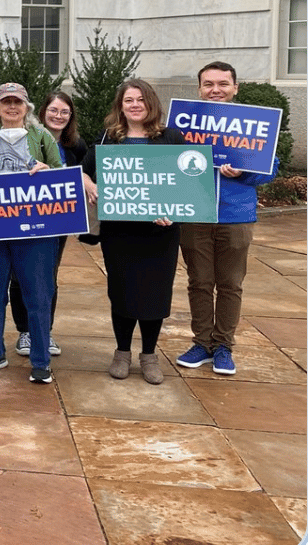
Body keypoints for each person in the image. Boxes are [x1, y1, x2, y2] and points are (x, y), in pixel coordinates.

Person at [176, 62, 278, 376]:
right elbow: (168, 166)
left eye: (223, 84)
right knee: (199, 282)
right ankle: (202, 343)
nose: (215, 90)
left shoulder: (251, 124)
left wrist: (244, 171)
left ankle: (223, 346)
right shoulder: (184, 125)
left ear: (235, 88)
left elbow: (270, 169)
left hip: (236, 215)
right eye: (209, 84)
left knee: (230, 284)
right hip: (195, 213)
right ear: (199, 89)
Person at [82, 78, 185, 385]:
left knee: (155, 293)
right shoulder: (108, 138)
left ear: (150, 103)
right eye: (129, 100)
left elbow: (187, 183)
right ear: (121, 106)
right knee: (122, 290)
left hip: (160, 233)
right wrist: (90, 185)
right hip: (120, 232)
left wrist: (174, 212)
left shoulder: (170, 137)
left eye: (140, 99)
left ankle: (150, 354)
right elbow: (83, 170)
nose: (135, 105)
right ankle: (122, 351)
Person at [0, 83, 63, 384]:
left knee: (38, 293)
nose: (12, 107)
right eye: (5, 102)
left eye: (18, 102)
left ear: (27, 108)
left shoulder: (42, 137)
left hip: (36, 228)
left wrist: (48, 170)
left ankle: (41, 360)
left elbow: (62, 174)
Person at [9, 90, 87, 360]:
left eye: (65, 111)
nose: (59, 116)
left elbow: (83, 175)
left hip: (58, 221)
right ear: (42, 112)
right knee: (20, 275)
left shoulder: (76, 146)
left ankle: (44, 330)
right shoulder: (26, 138)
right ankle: (24, 331)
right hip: (23, 217)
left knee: (48, 276)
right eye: (54, 110)